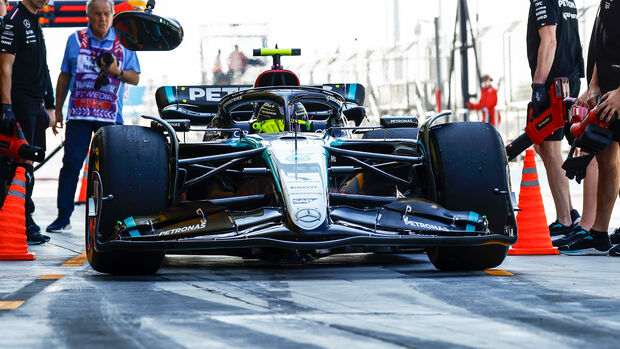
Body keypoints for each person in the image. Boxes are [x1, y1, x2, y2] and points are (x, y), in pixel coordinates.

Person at [46, 0, 140, 233]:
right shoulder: (74, 40)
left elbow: (135, 77)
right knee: (71, 165)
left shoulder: (123, 41)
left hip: (110, 117)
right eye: (97, 14)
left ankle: (113, 218)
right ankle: (63, 216)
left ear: (112, 14)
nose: (102, 18)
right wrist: (58, 111)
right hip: (78, 115)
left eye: (107, 13)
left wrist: (116, 71)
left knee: (113, 169)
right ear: (88, 15)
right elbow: (64, 77)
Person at [559, 0, 619, 255]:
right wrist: (594, 86)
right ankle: (599, 234)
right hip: (607, 93)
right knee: (607, 161)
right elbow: (600, 48)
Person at [526, 0, 585, 242]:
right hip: (568, 77)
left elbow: (549, 40)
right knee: (543, 146)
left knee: (548, 147)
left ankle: (565, 220)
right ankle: (570, 212)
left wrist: (539, 84)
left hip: (553, 83)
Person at [0, 0, 56, 245]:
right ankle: (21, 220)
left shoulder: (34, 19)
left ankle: (25, 218)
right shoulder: (14, 19)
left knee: (30, 163)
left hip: (36, 104)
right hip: (19, 103)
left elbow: (42, 67)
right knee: (20, 165)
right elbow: (4, 66)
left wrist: (48, 104)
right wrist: (6, 106)